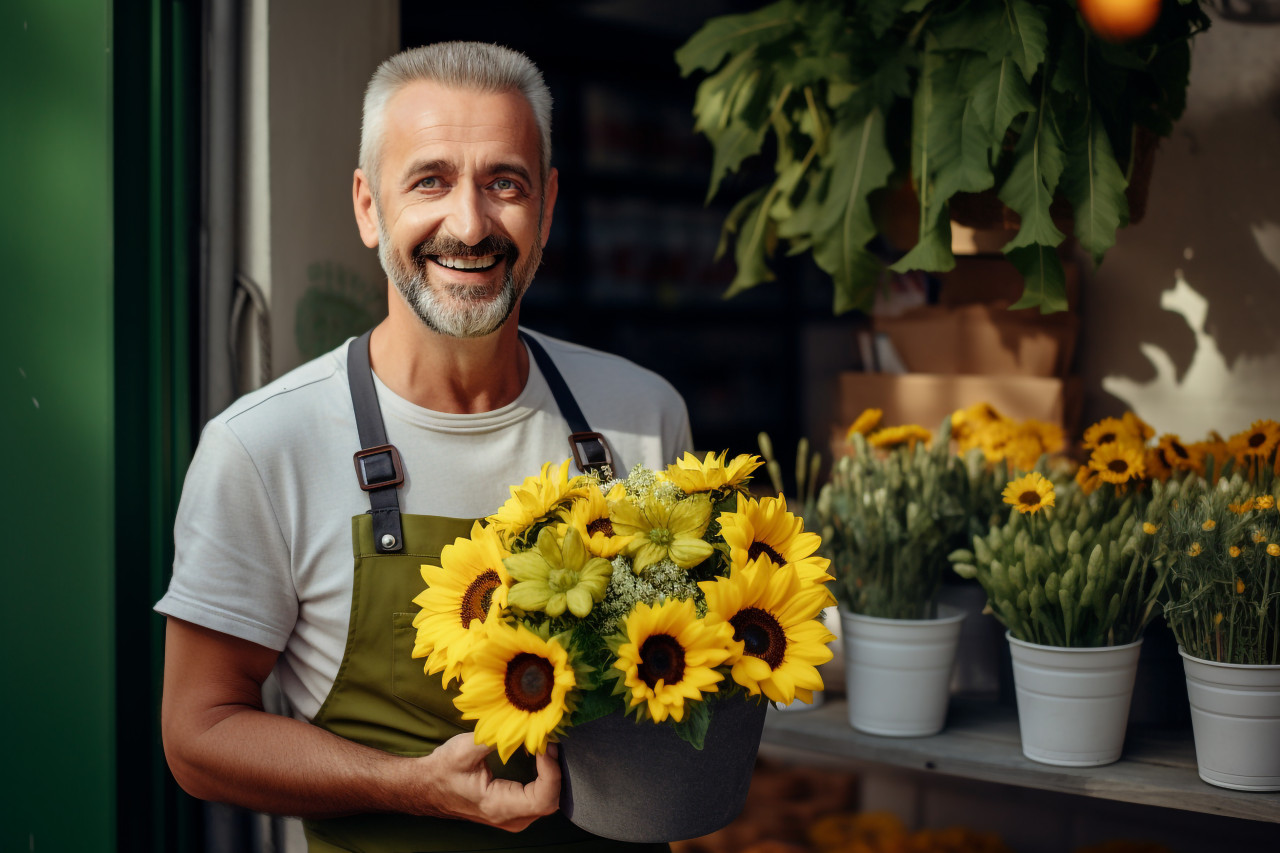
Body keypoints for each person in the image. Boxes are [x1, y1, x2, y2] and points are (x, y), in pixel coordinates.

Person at [157, 41, 691, 853]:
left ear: (546, 206)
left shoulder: (642, 415)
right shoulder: (263, 447)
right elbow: (197, 736)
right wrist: (410, 787)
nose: (470, 224)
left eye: (504, 182)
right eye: (431, 180)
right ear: (370, 207)